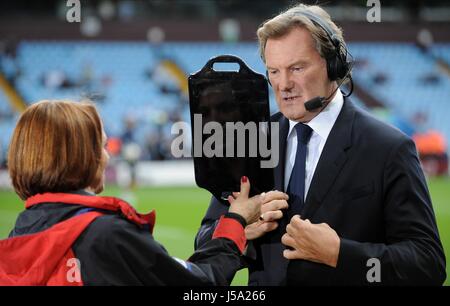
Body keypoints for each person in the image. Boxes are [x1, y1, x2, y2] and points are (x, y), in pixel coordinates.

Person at [195, 4, 446, 285]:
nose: (284, 84)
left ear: (333, 65)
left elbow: (428, 265)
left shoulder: (388, 148)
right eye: (274, 71)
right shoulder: (253, 141)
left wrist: (341, 253)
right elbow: (204, 238)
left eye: (297, 68)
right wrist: (240, 227)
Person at [0, 100, 264, 286]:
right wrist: (235, 222)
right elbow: (196, 285)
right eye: (101, 146)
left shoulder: (18, 235)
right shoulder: (106, 234)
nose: (106, 157)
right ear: (81, 157)